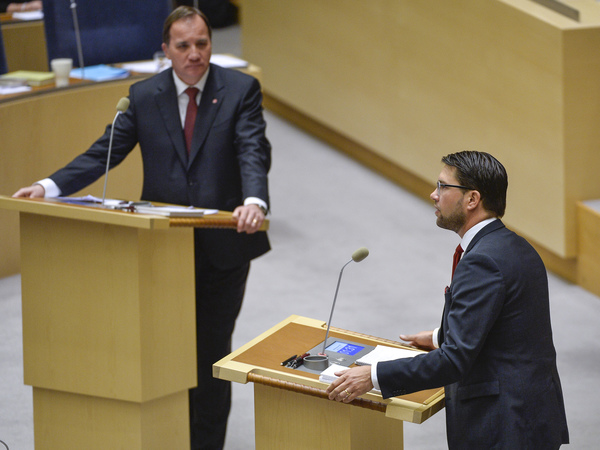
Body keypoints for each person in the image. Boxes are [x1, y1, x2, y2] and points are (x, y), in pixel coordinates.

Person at [13, 6, 271, 449]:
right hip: (159, 248)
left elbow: (252, 149)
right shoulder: (144, 95)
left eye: (203, 43)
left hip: (222, 247)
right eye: (184, 45)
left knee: (209, 354)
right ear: (165, 50)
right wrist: (48, 185)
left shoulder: (240, 89)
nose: (195, 54)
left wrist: (254, 199)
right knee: (165, 351)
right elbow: (104, 152)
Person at [326, 151, 569, 449]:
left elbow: (455, 360)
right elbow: (510, 326)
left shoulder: (483, 262)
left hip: (505, 426)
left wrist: (372, 377)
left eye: (443, 187)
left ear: (472, 199)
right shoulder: (514, 246)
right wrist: (440, 336)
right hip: (532, 415)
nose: (433, 194)